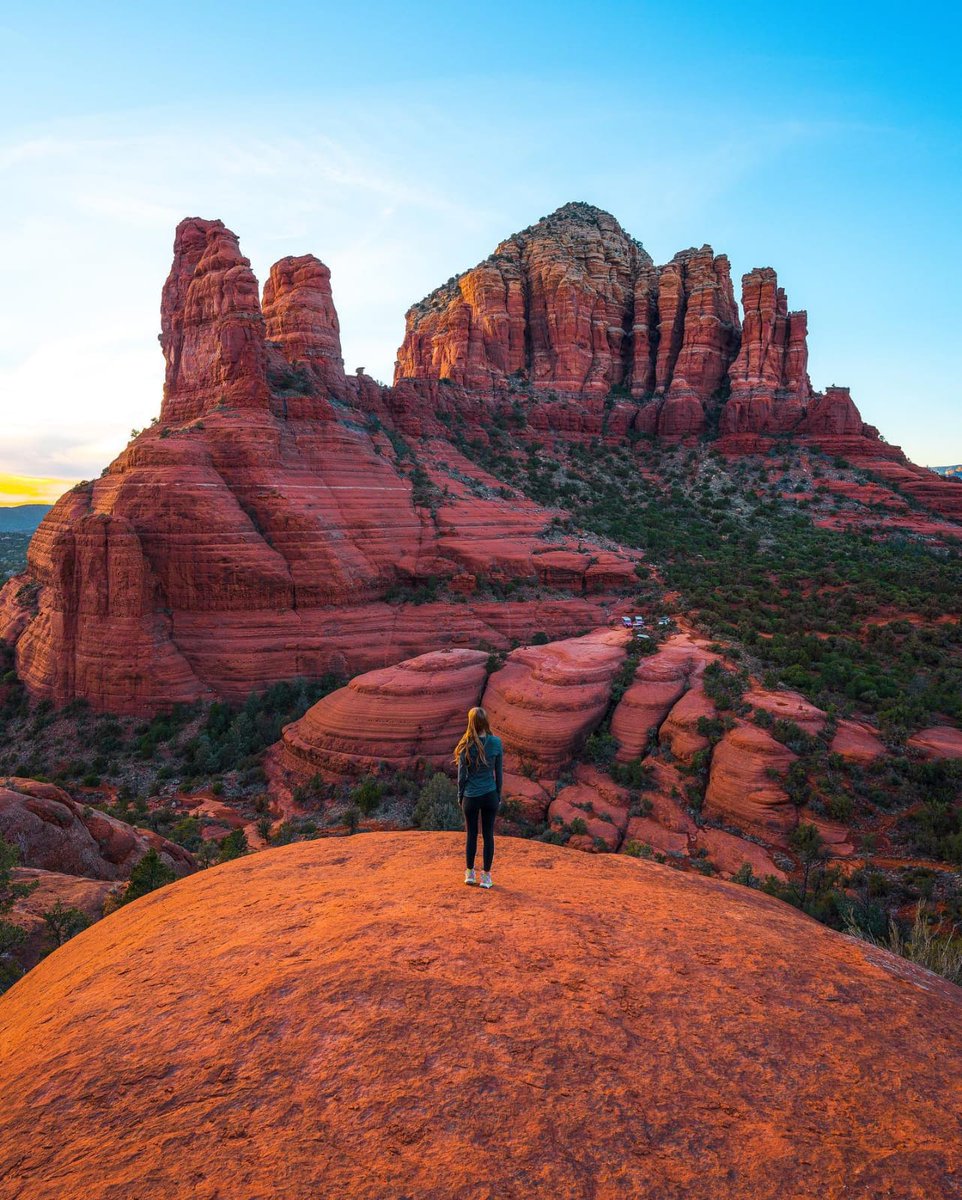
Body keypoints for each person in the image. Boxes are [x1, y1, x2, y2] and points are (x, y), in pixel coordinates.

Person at [454, 706, 503, 889]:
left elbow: (461, 777)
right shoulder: (496, 743)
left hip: (471, 797)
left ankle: (469, 873)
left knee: (472, 835)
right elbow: (499, 773)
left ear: (471, 722)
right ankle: (487, 877)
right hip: (490, 795)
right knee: (488, 835)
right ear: (486, 722)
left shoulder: (465, 744)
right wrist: (497, 795)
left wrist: (461, 797)